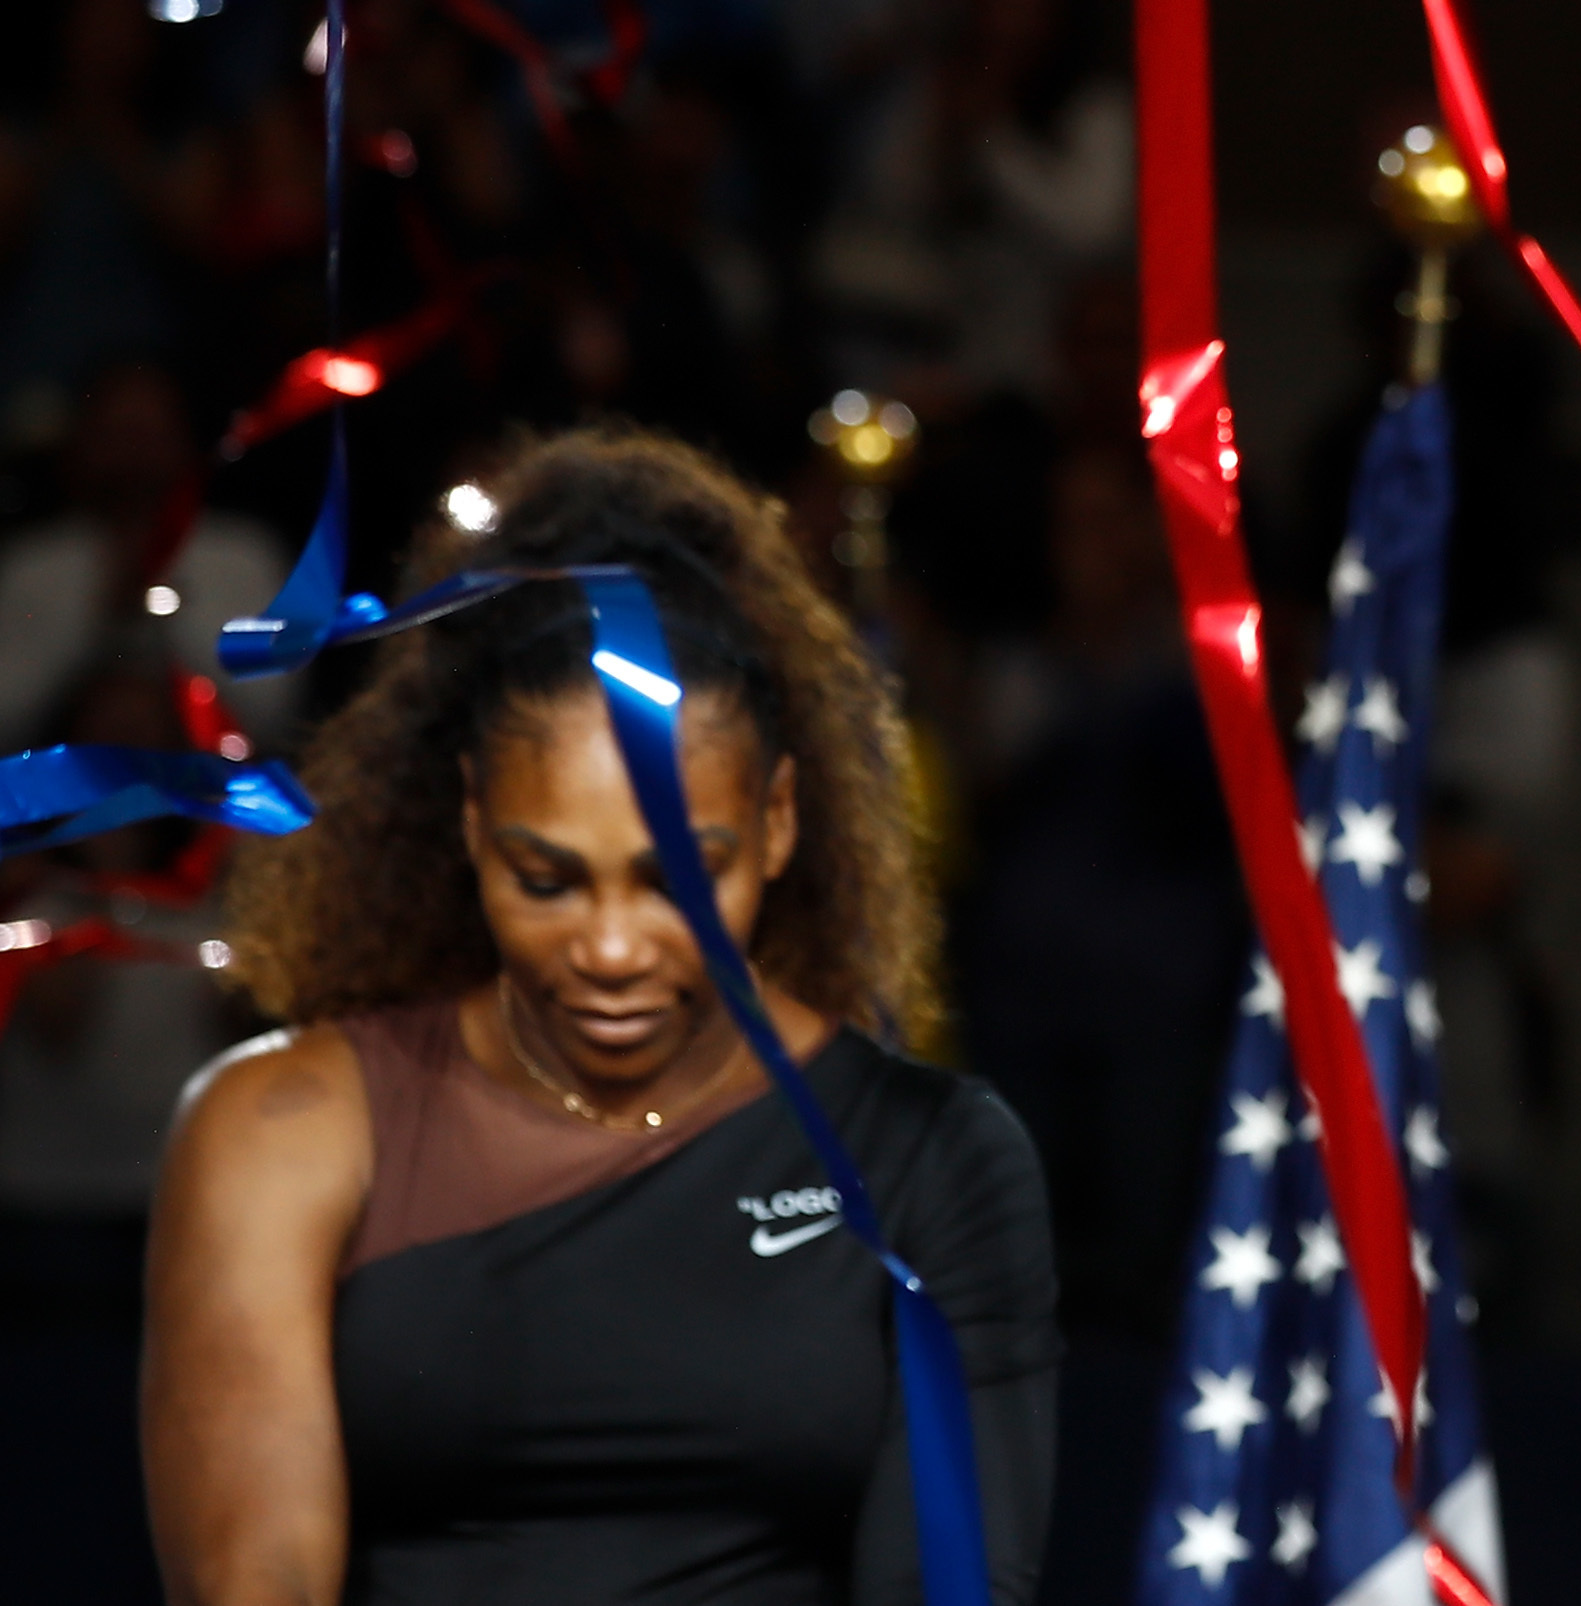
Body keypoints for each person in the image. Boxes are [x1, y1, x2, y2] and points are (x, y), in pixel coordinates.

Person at [141, 427, 1060, 1605]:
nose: (614, 948)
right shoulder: (274, 1129)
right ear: (471, 821)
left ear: (778, 821)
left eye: (681, 875)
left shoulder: (936, 1154)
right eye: (548, 877)